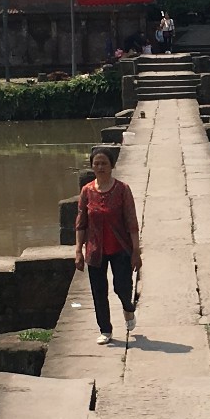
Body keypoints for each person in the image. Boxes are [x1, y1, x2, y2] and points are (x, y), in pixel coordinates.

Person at [74, 146, 140, 345]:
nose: (100, 167)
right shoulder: (87, 191)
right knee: (98, 291)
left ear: (112, 166)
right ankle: (105, 329)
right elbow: (81, 223)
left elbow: (132, 222)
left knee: (122, 288)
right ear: (92, 166)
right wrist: (78, 250)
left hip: (120, 248)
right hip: (95, 250)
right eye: (96, 163)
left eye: (104, 163)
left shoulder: (122, 189)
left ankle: (128, 310)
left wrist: (136, 251)